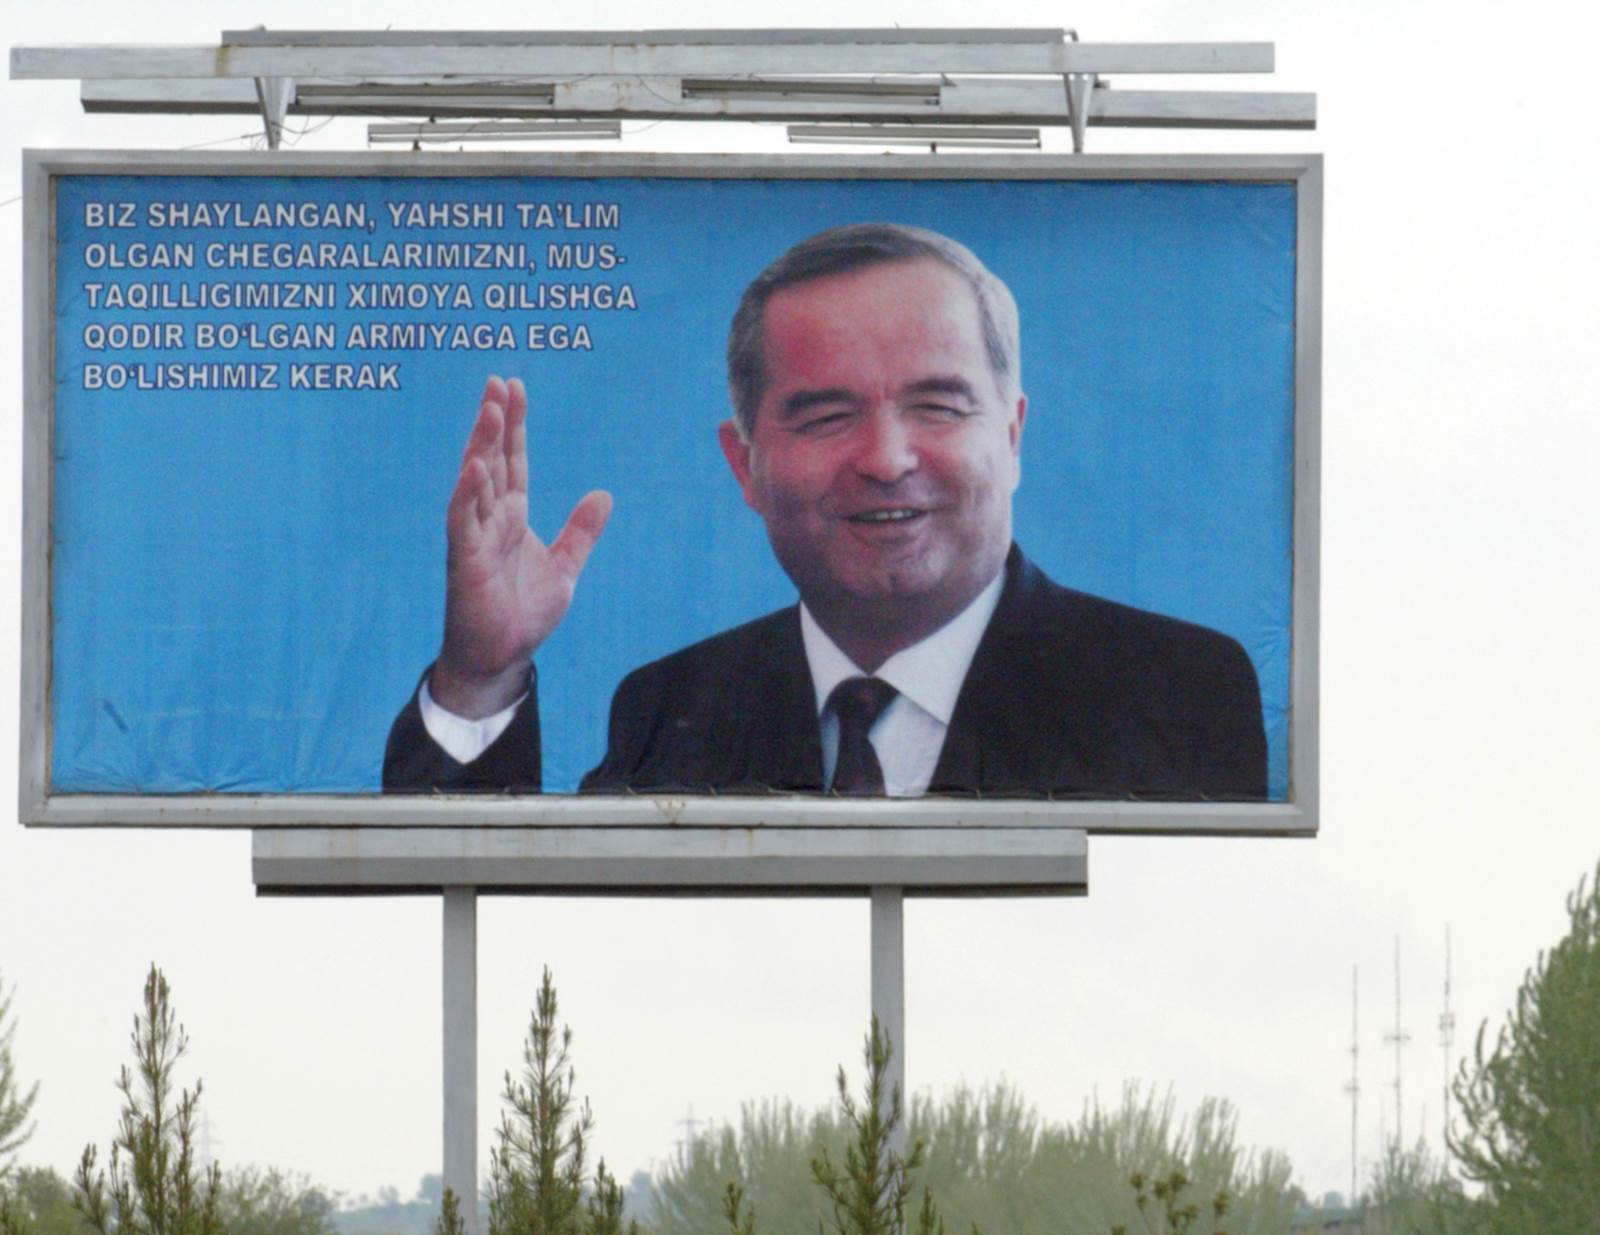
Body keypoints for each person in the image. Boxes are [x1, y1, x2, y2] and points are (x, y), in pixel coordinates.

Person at [385, 221, 1268, 802]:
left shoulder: (1177, 693)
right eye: (826, 415)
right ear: (746, 466)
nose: (885, 460)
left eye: (938, 405)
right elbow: (514, 946)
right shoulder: (667, 712)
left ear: (1014, 434)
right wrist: (479, 677)